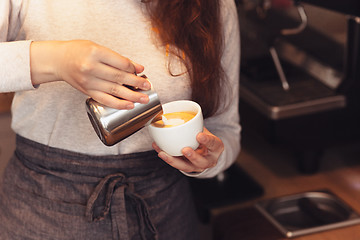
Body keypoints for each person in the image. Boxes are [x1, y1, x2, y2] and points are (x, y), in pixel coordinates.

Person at [0, 0, 240, 239]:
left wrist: (205, 160)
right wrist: (56, 60)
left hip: (163, 210)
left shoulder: (213, 5)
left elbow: (225, 130)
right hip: (43, 206)